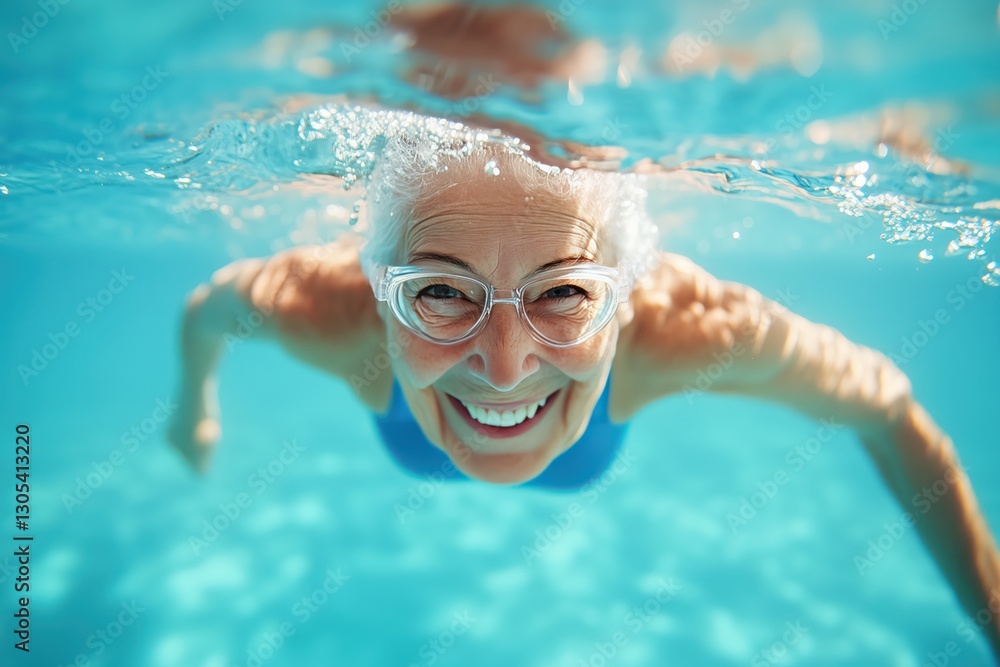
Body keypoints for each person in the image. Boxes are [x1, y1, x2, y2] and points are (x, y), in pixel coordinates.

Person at [166, 126, 1000, 658]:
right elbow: (205, 316)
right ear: (377, 286)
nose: (503, 366)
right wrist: (192, 407)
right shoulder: (324, 309)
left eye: (564, 293)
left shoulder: (688, 331)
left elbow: (889, 408)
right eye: (440, 291)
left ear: (628, 296)